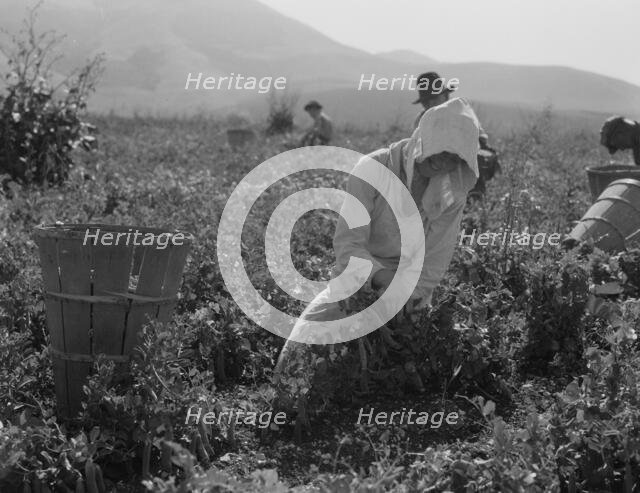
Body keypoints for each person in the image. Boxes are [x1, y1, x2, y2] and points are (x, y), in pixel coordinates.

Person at [273, 97, 481, 434]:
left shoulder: (449, 187)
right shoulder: (374, 169)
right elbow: (348, 247)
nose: (444, 161)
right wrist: (385, 283)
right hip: (358, 276)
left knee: (415, 366)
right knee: (292, 368)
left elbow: (436, 259)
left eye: (453, 156)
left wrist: (410, 299)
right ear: (419, 143)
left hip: (410, 285)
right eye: (439, 151)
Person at [413, 71, 499, 196]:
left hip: (466, 167)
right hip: (437, 170)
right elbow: (418, 150)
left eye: (434, 98)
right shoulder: (421, 120)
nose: (431, 104)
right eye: (426, 102)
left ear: (445, 96)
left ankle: (475, 199)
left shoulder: (462, 113)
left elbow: (480, 141)